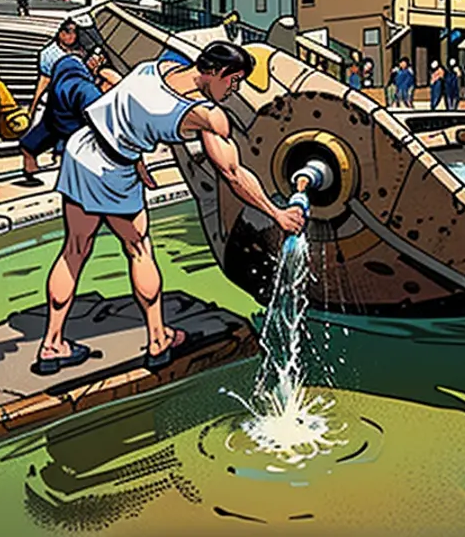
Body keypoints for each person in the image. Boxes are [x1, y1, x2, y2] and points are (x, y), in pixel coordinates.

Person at [36, 41, 306, 373]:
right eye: (233, 80)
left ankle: (51, 344)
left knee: (74, 249)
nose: (233, 89)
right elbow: (232, 174)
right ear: (218, 72)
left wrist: (135, 156)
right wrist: (277, 214)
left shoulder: (158, 66)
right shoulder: (205, 114)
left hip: (82, 152)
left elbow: (125, 96)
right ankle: (157, 339)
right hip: (114, 172)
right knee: (138, 249)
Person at [20, 48, 118, 185]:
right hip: (68, 119)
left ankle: (33, 156)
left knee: (51, 131)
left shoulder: (75, 75)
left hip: (63, 114)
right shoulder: (87, 90)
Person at [22, 18, 82, 175]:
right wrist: (34, 104)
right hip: (55, 97)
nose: (71, 36)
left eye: (74, 32)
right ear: (60, 33)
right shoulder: (49, 53)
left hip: (73, 98)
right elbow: (44, 80)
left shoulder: (79, 52)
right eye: (67, 32)